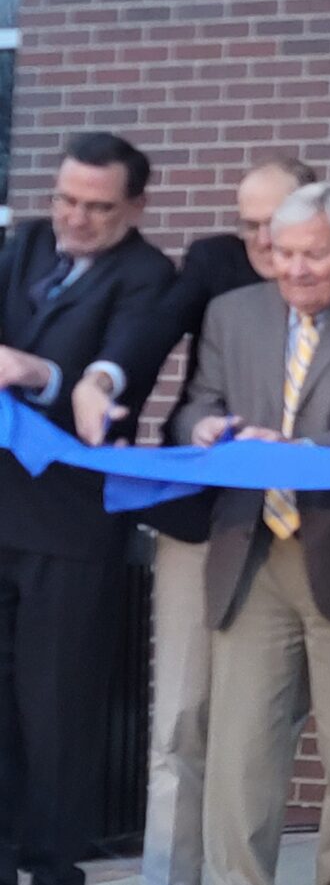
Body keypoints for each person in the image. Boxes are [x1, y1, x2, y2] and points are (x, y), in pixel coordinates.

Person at [69, 155, 317, 885]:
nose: (260, 242)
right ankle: (168, 876)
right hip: (201, 521)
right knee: (181, 720)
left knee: (262, 730)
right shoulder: (216, 263)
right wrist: (102, 378)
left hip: (294, 534)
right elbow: (153, 327)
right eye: (247, 225)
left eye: (273, 224)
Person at [171, 184, 330, 885]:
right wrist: (204, 427)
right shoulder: (231, 313)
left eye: (315, 254)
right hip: (251, 553)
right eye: (283, 252)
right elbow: (195, 406)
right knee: (240, 756)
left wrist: (303, 451)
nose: (296, 268)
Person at [0, 132, 176, 885]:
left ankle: (51, 862)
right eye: (66, 198)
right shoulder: (26, 239)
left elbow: (123, 361)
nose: (75, 217)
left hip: (70, 526)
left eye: (98, 208)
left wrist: (49, 373)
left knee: (57, 706)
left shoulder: (148, 274)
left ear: (135, 206)